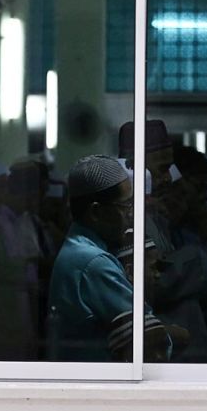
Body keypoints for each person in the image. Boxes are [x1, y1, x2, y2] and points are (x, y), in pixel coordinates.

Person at [47, 154, 140, 361]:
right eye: (126, 207)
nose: (132, 215)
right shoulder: (92, 262)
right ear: (97, 212)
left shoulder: (82, 247)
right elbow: (148, 336)